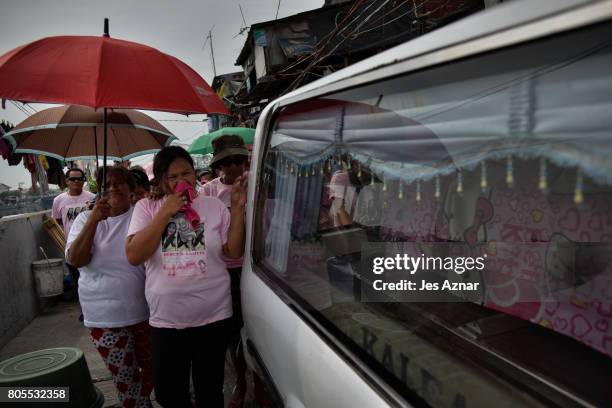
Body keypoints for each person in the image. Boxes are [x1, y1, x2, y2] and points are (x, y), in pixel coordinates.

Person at [125, 146, 247, 408]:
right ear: (160, 180)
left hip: (214, 316)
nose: (182, 181)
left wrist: (237, 208)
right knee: (170, 395)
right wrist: (165, 212)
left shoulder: (213, 206)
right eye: (172, 177)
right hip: (167, 320)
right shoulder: (146, 208)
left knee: (210, 392)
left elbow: (234, 251)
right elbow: (134, 255)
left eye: (187, 173)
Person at [66, 166, 153, 407]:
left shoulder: (142, 214)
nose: (113, 188)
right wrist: (94, 219)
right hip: (105, 319)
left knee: (155, 374)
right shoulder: (85, 218)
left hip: (147, 313)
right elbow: (76, 259)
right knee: (128, 384)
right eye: (106, 185)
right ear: (98, 190)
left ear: (131, 188)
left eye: (119, 183)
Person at [202, 135, 249, 408]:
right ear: (219, 165)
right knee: (233, 334)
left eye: (239, 161)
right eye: (227, 162)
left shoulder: (257, 184)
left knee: (253, 328)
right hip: (223, 271)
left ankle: (258, 382)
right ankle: (241, 383)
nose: (233, 168)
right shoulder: (208, 191)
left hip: (254, 269)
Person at [52, 167, 96, 238]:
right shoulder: (58, 200)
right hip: (71, 242)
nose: (76, 181)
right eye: (72, 179)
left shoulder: (93, 198)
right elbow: (58, 220)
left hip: (91, 239)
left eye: (80, 179)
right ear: (67, 181)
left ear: (83, 181)